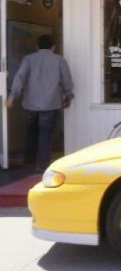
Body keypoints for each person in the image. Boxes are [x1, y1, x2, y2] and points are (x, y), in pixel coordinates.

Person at [6, 35, 74, 173]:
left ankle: (28, 161)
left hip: (30, 104)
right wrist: (68, 96)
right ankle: (41, 165)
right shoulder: (60, 60)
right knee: (45, 134)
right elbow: (67, 81)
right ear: (53, 47)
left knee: (29, 132)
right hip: (51, 104)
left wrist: (12, 96)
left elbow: (20, 77)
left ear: (37, 47)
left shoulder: (28, 59)